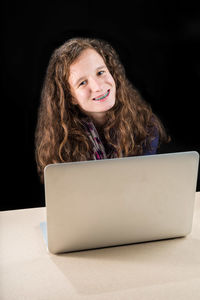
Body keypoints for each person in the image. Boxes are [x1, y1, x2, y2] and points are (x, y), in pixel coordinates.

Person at [35, 37, 169, 182]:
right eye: (83, 82)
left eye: (100, 73)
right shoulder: (61, 142)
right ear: (70, 97)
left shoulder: (144, 126)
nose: (98, 87)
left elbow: (139, 188)